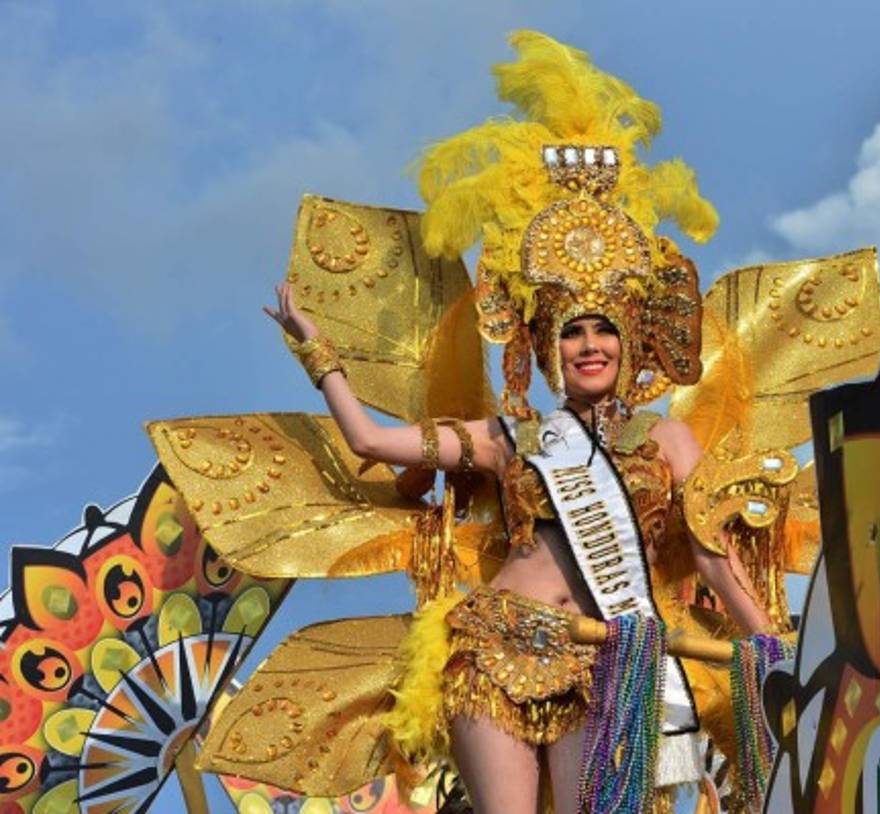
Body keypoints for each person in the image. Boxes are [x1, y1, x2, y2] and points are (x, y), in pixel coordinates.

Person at [183, 30, 800, 814]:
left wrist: (779, 651)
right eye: (571, 331)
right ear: (545, 348)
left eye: (604, 329)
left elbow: (714, 559)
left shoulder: (667, 442)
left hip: (609, 657)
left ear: (630, 341)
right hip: (494, 641)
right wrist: (321, 356)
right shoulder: (515, 437)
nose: (589, 345)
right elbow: (374, 443)